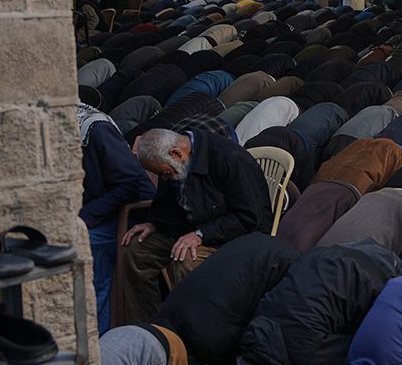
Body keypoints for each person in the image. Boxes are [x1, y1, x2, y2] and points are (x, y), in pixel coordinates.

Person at [116, 128, 271, 325]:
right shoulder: (176, 159)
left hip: (235, 236)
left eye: (164, 173)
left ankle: (190, 330)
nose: (165, 178)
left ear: (176, 153)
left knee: (186, 258)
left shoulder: (229, 158)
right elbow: (172, 204)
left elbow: (249, 218)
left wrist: (201, 234)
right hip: (190, 227)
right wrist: (156, 224)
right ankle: (148, 326)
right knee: (136, 250)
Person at [79, 104, 153, 331]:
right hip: (102, 206)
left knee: (87, 243)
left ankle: (98, 332)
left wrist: (83, 217)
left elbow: (129, 185)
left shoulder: (96, 129)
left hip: (131, 211)